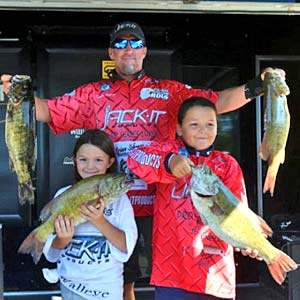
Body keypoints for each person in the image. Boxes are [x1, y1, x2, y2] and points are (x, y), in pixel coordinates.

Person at [0, 21, 283, 300]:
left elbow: (216, 102)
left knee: (173, 280)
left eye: (135, 43)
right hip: (113, 202)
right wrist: (15, 94)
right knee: (122, 282)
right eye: (120, 44)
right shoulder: (92, 94)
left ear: (145, 50)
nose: (128, 50)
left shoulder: (169, 91)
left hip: (162, 204)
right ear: (111, 53)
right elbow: (47, 111)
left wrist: (260, 86)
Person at [127, 97, 262, 300]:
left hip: (215, 272)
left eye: (210, 124)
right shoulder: (167, 151)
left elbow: (239, 211)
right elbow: (134, 159)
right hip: (171, 273)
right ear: (179, 129)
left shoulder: (227, 164)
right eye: (194, 124)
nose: (203, 131)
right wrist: (169, 161)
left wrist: (248, 241)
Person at [42, 129, 138, 300]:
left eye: (98, 160)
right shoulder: (63, 195)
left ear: (110, 162)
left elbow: (126, 247)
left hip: (107, 288)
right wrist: (62, 239)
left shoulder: (121, 202)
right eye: (83, 160)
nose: (90, 166)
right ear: (75, 161)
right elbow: (53, 249)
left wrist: (99, 221)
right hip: (71, 286)